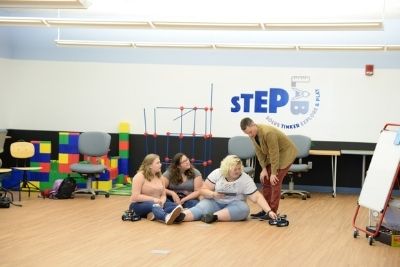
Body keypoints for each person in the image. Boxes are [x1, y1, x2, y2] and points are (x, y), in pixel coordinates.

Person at [182, 155, 277, 223]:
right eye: (235, 169)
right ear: (227, 168)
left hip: (235, 205)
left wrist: (269, 211)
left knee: (244, 209)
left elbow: (256, 197)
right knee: (200, 208)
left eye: (239, 169)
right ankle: (179, 216)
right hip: (215, 202)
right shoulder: (217, 173)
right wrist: (213, 194)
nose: (238, 171)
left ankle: (213, 216)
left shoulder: (245, 178)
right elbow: (203, 190)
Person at [240, 117, 297, 218]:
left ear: (253, 124)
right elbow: (259, 152)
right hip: (273, 155)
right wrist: (264, 169)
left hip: (285, 154)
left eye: (250, 132)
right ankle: (266, 209)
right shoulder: (252, 134)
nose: (250, 135)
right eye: (247, 134)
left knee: (274, 181)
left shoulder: (268, 133)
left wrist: (274, 173)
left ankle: (273, 212)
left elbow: (274, 153)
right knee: (265, 179)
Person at [128, 153, 184, 225]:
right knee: (154, 205)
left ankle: (154, 214)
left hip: (158, 203)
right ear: (150, 165)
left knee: (176, 207)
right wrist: (154, 200)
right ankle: (165, 217)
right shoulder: (139, 176)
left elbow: (163, 195)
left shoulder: (161, 177)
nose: (160, 164)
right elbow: (135, 197)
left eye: (160, 162)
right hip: (138, 205)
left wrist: (162, 202)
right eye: (157, 163)